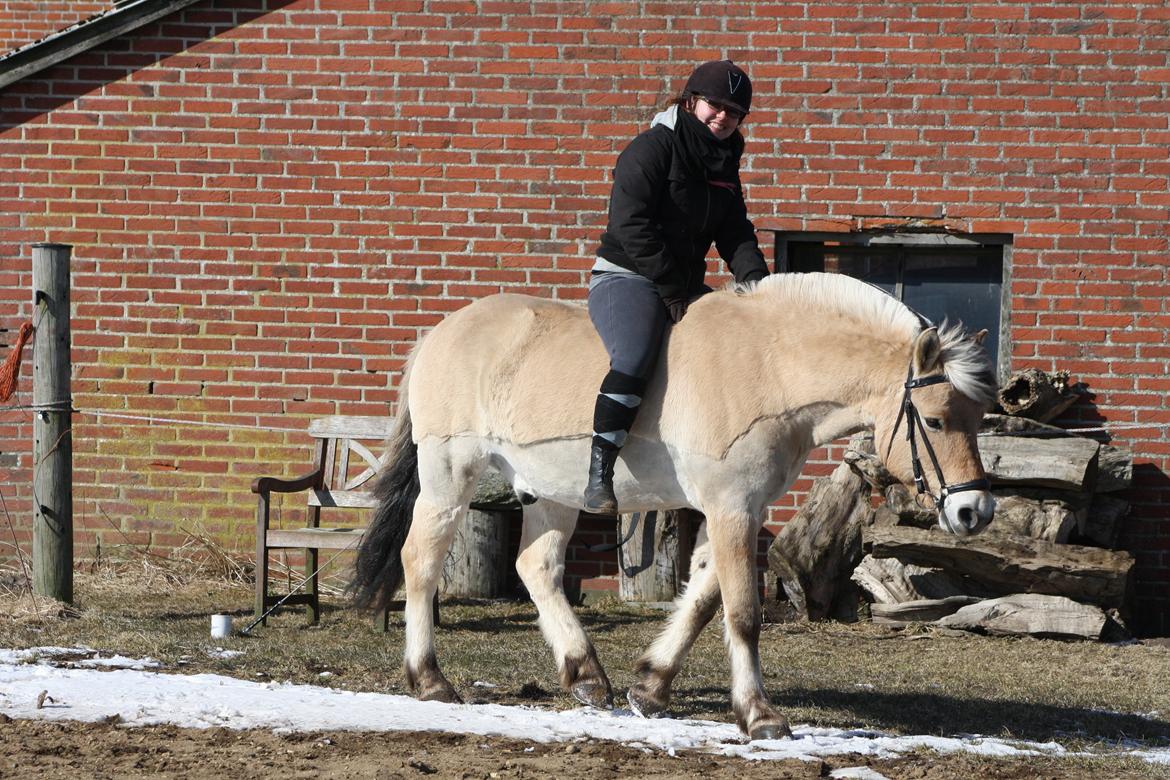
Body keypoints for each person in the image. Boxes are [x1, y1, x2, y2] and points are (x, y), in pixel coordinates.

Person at [583, 59, 771, 514]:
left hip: (682, 285)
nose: (724, 117)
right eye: (716, 106)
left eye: (735, 112)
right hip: (627, 275)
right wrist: (671, 286)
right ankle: (600, 468)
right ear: (690, 102)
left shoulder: (724, 161)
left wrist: (761, 288)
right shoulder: (650, 150)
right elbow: (632, 225)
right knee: (635, 355)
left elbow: (735, 231)